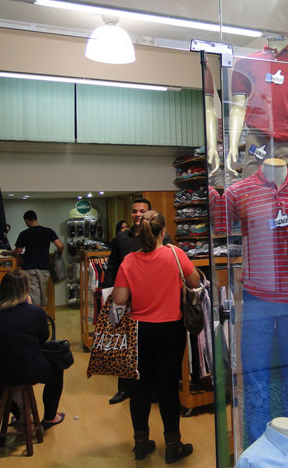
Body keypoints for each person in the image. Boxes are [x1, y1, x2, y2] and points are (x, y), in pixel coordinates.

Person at [112, 210, 201, 462]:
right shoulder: (175, 254)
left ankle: (141, 444)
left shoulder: (129, 260)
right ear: (163, 231)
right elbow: (194, 282)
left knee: (139, 388)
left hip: (140, 330)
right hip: (171, 329)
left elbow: (119, 299)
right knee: (168, 388)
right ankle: (173, 445)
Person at [0, 270, 66, 430]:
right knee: (57, 369)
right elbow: (43, 338)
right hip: (27, 371)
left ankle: (20, 414)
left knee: (1, 379)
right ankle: (50, 416)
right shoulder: (34, 313)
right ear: (26, 290)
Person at [103, 198, 174, 405]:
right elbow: (112, 265)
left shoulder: (163, 236)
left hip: (151, 301)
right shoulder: (121, 239)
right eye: (135, 211)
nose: (138, 215)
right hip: (124, 299)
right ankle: (124, 389)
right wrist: (108, 292)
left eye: (142, 211)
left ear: (149, 213)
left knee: (147, 353)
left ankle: (152, 390)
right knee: (123, 346)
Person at [12, 211, 64, 307]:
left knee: (34, 296)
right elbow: (60, 245)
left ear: (27, 220)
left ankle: (37, 315)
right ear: (35, 218)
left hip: (30, 268)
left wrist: (7, 253)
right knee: (42, 295)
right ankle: (41, 314)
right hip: (44, 268)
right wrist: (59, 254)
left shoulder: (24, 233)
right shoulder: (48, 231)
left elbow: (17, 252)